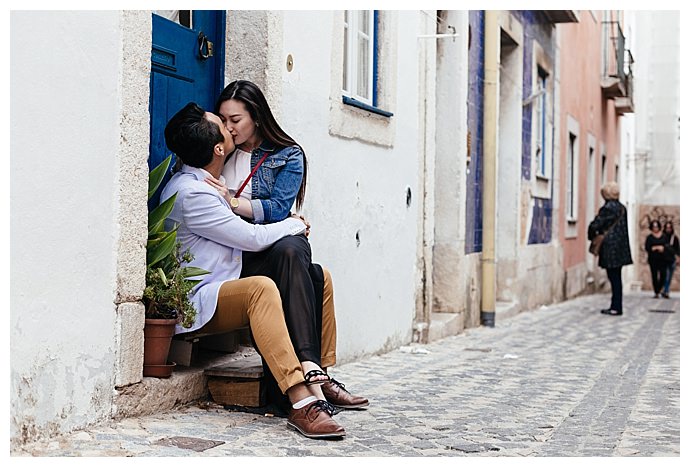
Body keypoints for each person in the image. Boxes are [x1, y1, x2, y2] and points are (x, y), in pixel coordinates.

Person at [161, 102, 345, 439]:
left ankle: (322, 374)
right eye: (223, 125)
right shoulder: (192, 194)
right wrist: (293, 223)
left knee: (318, 275)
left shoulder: (207, 183)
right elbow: (250, 237)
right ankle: (300, 398)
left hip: (225, 280)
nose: (231, 129)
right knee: (261, 287)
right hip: (203, 299)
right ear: (218, 149)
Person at [204, 80, 368, 412]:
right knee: (311, 271)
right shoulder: (220, 148)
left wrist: (232, 203)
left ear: (257, 116)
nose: (228, 128)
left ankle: (309, 368)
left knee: (294, 251)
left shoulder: (288, 155)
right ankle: (316, 372)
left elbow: (278, 209)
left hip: (271, 248)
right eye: (223, 119)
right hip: (238, 255)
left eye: (235, 119)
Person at [587, 181, 633, 316]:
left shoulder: (607, 208)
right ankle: (616, 305)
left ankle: (616, 307)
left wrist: (592, 235)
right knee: (617, 277)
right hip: (620, 247)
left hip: (610, 247)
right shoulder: (622, 208)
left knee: (613, 278)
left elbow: (596, 225)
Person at [645, 220, 669, 299]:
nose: (655, 228)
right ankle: (656, 292)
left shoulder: (664, 236)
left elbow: (667, 246)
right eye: (654, 227)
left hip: (663, 259)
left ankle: (660, 288)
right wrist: (653, 248)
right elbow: (647, 247)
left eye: (657, 226)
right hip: (653, 259)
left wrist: (662, 248)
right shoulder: (649, 237)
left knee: (663, 275)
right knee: (654, 275)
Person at [661, 221, 680, 298]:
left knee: (669, 276)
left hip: (672, 260)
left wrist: (678, 258)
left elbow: (678, 249)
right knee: (665, 276)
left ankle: (666, 290)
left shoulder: (674, 238)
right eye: (667, 228)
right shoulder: (662, 237)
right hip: (664, 259)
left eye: (669, 228)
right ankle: (665, 290)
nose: (668, 229)